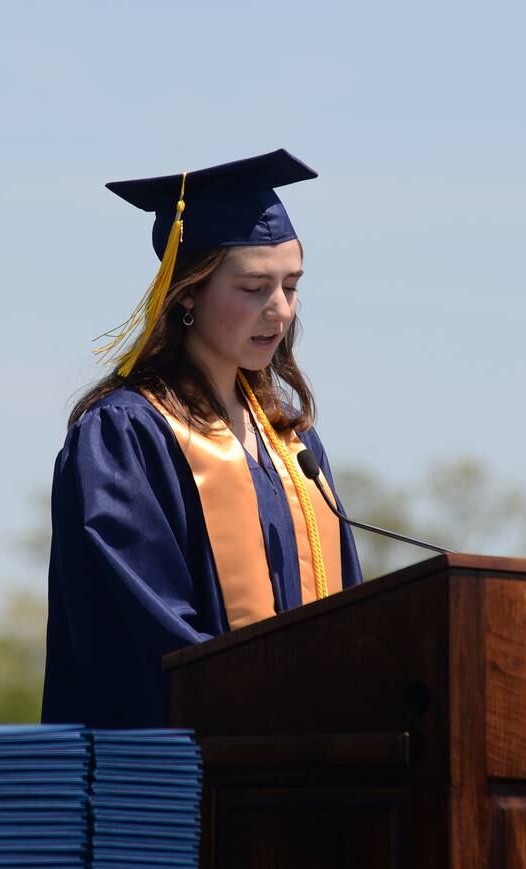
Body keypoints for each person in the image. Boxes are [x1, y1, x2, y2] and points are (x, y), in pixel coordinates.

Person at [42, 150, 362, 728]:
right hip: (176, 785)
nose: (280, 311)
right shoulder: (126, 437)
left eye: (291, 286)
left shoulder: (293, 446)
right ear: (187, 292)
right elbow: (137, 637)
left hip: (307, 779)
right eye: (252, 287)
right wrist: (266, 711)